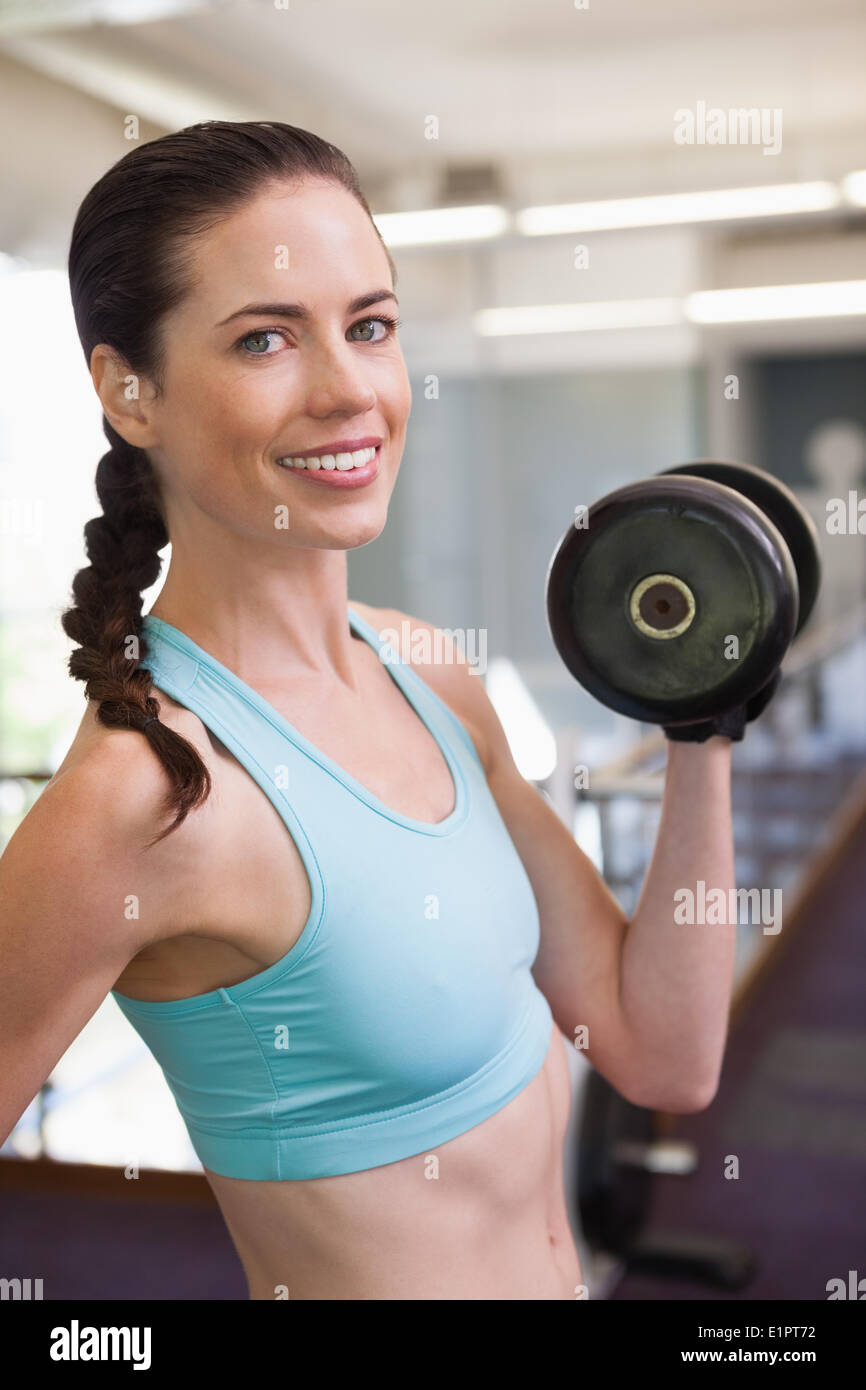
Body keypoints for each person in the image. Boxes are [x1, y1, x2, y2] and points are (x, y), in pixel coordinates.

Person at [0, 121, 737, 1301]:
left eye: (371, 325)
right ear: (128, 393)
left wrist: (704, 717)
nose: (348, 391)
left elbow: (658, 1050)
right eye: (263, 341)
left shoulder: (421, 670)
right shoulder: (145, 799)